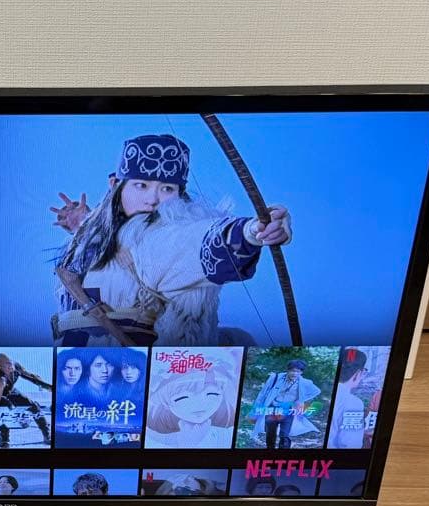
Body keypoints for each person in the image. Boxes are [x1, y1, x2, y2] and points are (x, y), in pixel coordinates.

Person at [50, 133, 292, 347]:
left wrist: (252, 230)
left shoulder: (159, 238)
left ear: (179, 194)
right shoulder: (99, 234)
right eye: (141, 185)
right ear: (116, 186)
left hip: (119, 361)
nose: (152, 200)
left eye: (167, 189)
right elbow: (109, 244)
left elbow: (193, 243)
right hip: (73, 356)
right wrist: (85, 223)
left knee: (238, 341)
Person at [145, 353, 238, 448]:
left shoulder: (228, 435)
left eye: (212, 394)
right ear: (164, 403)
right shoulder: (152, 437)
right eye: (182, 398)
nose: (200, 404)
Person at [251, 358, 321, 449]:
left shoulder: (304, 383)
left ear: (301, 372)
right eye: (292, 371)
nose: (295, 374)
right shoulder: (275, 378)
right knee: (270, 433)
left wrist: (301, 400)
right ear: (288, 370)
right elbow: (263, 393)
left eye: (298, 371)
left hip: (288, 410)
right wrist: (256, 409)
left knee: (284, 434)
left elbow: (316, 391)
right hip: (272, 408)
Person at [0, 353, 52, 447]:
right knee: (3, 412)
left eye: (9, 362)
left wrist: (48, 387)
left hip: (11, 391)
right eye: (6, 364)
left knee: (33, 406)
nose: (10, 366)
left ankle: (46, 434)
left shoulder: (15, 366)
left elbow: (32, 377)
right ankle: (4, 439)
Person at [327, 348, 368, 448]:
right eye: (364, 371)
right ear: (358, 373)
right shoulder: (354, 403)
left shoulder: (326, 394)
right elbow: (351, 444)